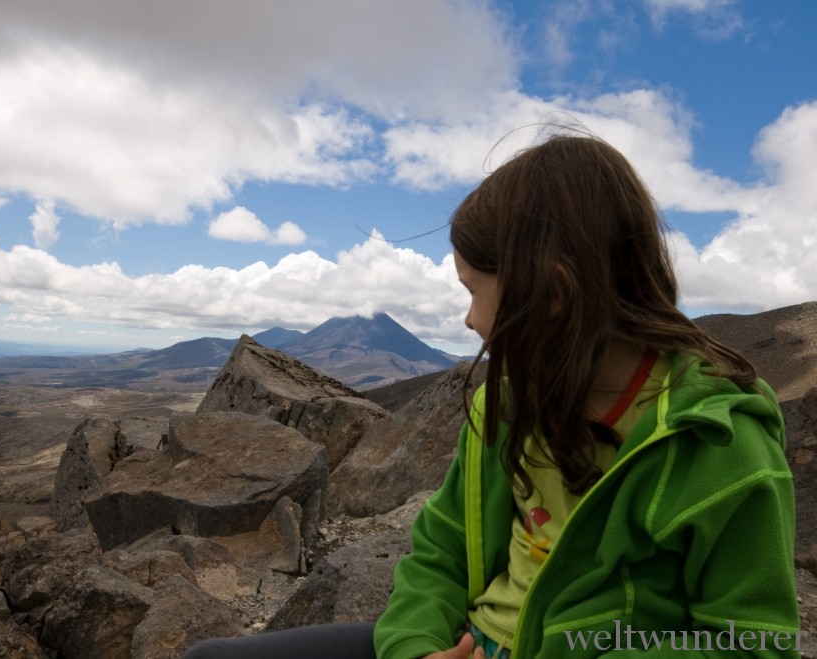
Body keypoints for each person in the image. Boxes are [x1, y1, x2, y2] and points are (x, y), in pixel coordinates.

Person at [184, 132, 799, 659]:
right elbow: (442, 544)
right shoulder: (509, 407)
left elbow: (753, 641)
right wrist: (415, 645)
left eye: (474, 290)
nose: (469, 319)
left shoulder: (720, 448)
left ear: (552, 294)